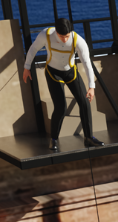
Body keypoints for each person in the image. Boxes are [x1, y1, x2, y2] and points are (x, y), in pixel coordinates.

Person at [21, 18, 104, 153]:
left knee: (84, 102)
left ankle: (88, 137)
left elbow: (87, 63)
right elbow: (33, 49)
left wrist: (91, 86)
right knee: (60, 107)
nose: (65, 40)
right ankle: (54, 139)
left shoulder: (78, 40)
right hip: (53, 74)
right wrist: (26, 67)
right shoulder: (46, 35)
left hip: (71, 73)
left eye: (67, 36)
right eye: (61, 36)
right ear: (56, 32)